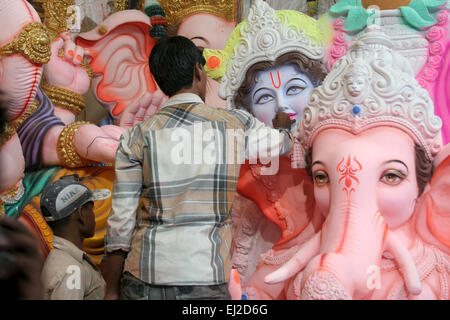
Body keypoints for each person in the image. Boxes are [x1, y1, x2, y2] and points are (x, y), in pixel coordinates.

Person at [102, 35, 294, 300]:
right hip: (203, 276)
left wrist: (110, 289)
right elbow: (283, 145)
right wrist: (283, 126)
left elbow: (120, 223)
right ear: (197, 71)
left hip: (144, 275)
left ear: (160, 81)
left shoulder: (136, 137)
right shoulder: (234, 125)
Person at [40, 174, 111, 300]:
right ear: (81, 214)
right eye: (91, 209)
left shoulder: (63, 260)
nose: (94, 216)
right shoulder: (71, 271)